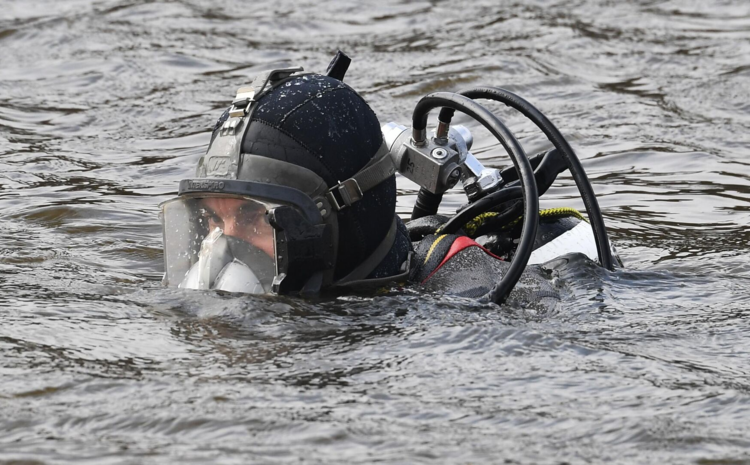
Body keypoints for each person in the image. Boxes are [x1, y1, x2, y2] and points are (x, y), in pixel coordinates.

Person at [159, 55, 618, 302]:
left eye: (253, 218)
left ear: (335, 220)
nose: (221, 247)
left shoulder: (470, 300)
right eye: (213, 222)